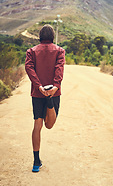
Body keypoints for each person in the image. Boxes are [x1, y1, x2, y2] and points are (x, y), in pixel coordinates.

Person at [25, 24, 65, 173]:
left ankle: (36, 162)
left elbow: (29, 68)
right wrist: (55, 86)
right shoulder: (60, 51)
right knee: (49, 125)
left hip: (37, 93)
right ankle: (50, 103)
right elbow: (59, 68)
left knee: (37, 125)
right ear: (53, 36)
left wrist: (38, 86)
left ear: (40, 36)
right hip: (54, 91)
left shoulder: (31, 51)